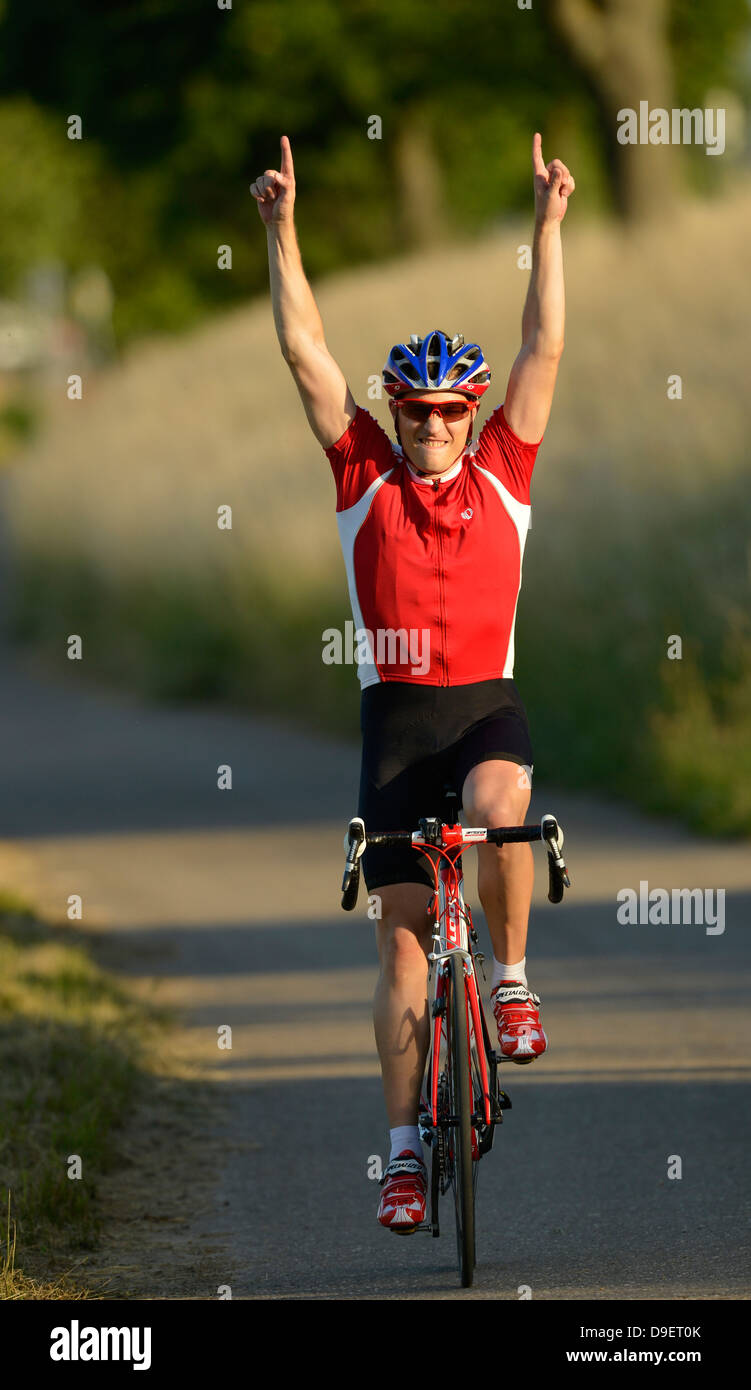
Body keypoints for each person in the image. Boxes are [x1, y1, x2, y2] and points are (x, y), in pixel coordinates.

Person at [251, 132, 574, 1231]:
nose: (434, 426)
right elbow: (304, 351)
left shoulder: (505, 474)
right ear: (395, 413)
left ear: (470, 415)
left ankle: (514, 983)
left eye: (451, 412)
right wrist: (281, 229)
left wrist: (547, 227)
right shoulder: (362, 478)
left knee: (499, 812)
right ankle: (398, 1154)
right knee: (399, 938)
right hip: (394, 724)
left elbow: (545, 343)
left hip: (484, 707)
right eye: (417, 411)